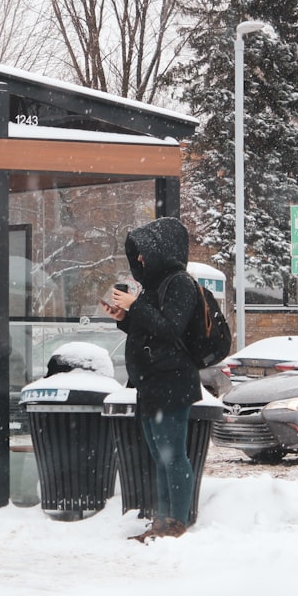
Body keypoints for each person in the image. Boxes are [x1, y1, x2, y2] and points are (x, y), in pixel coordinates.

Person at [102, 216, 201, 541]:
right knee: (160, 456)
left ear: (162, 251)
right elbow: (149, 330)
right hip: (151, 384)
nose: (140, 260)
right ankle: (162, 520)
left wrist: (136, 307)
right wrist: (124, 317)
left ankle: (177, 521)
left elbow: (171, 330)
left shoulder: (180, 284)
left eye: (144, 252)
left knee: (173, 455)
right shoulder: (154, 287)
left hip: (172, 382)